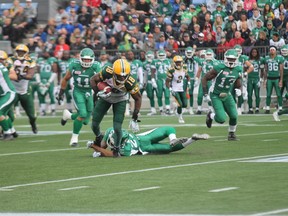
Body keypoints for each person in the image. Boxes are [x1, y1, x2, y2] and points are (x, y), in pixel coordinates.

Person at [90, 58, 142, 157]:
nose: (122, 78)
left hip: (120, 99)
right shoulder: (107, 72)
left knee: (117, 127)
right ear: (114, 72)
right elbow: (93, 79)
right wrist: (97, 92)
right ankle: (98, 137)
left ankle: (116, 148)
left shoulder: (130, 82)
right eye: (119, 76)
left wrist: (135, 115)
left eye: (124, 76)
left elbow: (138, 98)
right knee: (94, 124)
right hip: (106, 97)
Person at [57, 48, 101, 147]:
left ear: (92, 59)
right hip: (78, 91)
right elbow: (66, 79)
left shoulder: (96, 67)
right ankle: (74, 138)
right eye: (84, 59)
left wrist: (99, 93)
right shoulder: (74, 65)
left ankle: (68, 115)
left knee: (85, 121)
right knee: (82, 113)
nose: (86, 62)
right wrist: (61, 92)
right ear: (80, 58)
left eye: (88, 60)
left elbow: (100, 81)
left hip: (89, 92)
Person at [87, 126, 209, 157]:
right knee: (168, 130)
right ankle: (192, 139)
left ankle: (174, 140)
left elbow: (108, 151)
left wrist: (94, 147)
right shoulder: (111, 131)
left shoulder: (125, 148)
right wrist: (99, 151)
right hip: (143, 138)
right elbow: (104, 145)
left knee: (168, 149)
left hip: (144, 147)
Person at [202, 49, 243, 141]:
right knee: (221, 119)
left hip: (227, 94)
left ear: (236, 59)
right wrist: (205, 93)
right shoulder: (219, 67)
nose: (231, 61)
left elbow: (238, 82)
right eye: (229, 59)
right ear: (225, 58)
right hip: (215, 94)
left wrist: (239, 89)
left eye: (233, 59)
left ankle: (231, 134)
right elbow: (204, 78)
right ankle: (211, 115)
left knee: (234, 116)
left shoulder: (238, 69)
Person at [7, 44, 38, 134]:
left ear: (26, 53)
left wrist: (20, 76)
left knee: (32, 116)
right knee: (10, 114)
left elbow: (30, 75)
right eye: (18, 52)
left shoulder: (31, 61)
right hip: (12, 90)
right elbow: (8, 71)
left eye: (22, 52)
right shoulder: (10, 60)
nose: (20, 53)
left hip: (25, 90)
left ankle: (33, 124)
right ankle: (7, 130)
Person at [166, 55, 190, 123]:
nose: (178, 64)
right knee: (180, 104)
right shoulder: (171, 70)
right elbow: (167, 81)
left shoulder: (184, 68)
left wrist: (188, 83)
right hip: (175, 89)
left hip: (182, 88)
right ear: (174, 63)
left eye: (179, 62)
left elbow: (188, 76)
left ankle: (177, 110)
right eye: (177, 62)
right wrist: (170, 89)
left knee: (185, 104)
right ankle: (180, 117)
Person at [0, 50, 18, 140]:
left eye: (2, 59)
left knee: (1, 113)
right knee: (4, 114)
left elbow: (14, 76)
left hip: (8, 94)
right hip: (4, 94)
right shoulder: (3, 67)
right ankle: (12, 131)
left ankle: (8, 134)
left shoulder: (3, 67)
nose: (2, 61)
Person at [262, 45, 284, 114]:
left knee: (278, 94)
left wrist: (281, 80)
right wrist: (264, 80)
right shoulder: (266, 58)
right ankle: (268, 108)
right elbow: (265, 70)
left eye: (273, 50)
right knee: (268, 94)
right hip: (269, 78)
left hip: (277, 78)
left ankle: (280, 107)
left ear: (276, 51)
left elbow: (281, 70)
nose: (272, 51)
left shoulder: (279, 58)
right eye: (271, 50)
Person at [37, 50, 58, 116]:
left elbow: (55, 71)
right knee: (41, 95)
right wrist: (39, 81)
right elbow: (37, 71)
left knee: (52, 95)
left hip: (50, 81)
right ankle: (42, 110)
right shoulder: (39, 60)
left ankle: (53, 110)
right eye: (44, 52)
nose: (45, 53)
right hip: (41, 81)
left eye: (46, 52)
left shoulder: (52, 60)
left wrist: (49, 81)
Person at [151, 50, 172, 115]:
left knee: (167, 95)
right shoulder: (155, 61)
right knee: (159, 95)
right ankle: (161, 109)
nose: (162, 57)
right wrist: (153, 80)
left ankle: (168, 108)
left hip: (166, 80)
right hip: (158, 80)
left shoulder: (169, 61)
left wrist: (172, 80)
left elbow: (171, 72)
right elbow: (153, 72)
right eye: (160, 55)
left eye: (163, 55)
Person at [247, 48, 264, 114]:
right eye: (253, 52)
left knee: (257, 95)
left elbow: (262, 70)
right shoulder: (248, 60)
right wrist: (245, 76)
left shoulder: (260, 60)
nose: (254, 53)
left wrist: (261, 78)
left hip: (257, 79)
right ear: (251, 53)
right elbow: (245, 68)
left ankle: (257, 108)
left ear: (257, 53)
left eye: (255, 52)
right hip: (250, 79)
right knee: (249, 95)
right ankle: (250, 108)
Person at [183, 46, 198, 115]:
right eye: (188, 52)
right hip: (183, 78)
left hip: (191, 78)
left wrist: (196, 78)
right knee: (183, 93)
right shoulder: (182, 59)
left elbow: (196, 69)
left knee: (191, 93)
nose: (189, 54)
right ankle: (184, 107)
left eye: (190, 52)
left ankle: (191, 108)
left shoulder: (195, 59)